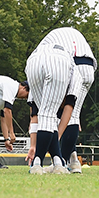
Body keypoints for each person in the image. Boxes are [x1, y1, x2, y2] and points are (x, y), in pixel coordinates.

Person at [41, 27, 96, 173]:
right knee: (73, 114)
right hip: (89, 67)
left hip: (71, 64)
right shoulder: (65, 35)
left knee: (63, 116)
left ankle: (62, 161)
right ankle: (74, 160)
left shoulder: (43, 50)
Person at [24, 42, 76, 174]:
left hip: (32, 61)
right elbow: (68, 110)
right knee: (48, 115)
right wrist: (53, 138)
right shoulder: (77, 76)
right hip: (58, 61)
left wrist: (35, 144)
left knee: (47, 117)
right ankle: (37, 163)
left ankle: (58, 162)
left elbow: (35, 117)